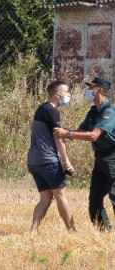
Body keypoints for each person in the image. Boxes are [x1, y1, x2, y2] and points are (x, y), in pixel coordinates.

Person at [53, 77, 115, 231]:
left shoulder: (109, 112)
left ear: (99, 90)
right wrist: (61, 131)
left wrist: (67, 134)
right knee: (94, 200)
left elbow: (94, 135)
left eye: (91, 88)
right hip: (100, 158)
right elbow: (81, 131)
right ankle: (104, 234)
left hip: (113, 156)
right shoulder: (93, 111)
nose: (88, 91)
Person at [27, 80, 76, 235]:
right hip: (48, 161)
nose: (69, 94)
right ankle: (73, 232)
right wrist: (66, 161)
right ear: (57, 94)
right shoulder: (51, 111)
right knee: (61, 195)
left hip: (34, 161)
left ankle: (33, 231)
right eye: (67, 91)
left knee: (46, 198)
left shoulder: (41, 109)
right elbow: (58, 137)